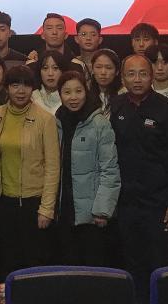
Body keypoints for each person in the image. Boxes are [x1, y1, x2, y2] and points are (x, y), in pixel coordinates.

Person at [110, 54, 168, 304]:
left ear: (152, 76)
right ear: (122, 78)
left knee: (158, 265)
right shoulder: (115, 106)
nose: (137, 79)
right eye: (131, 74)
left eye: (143, 74)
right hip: (125, 202)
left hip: (158, 203)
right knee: (130, 264)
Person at [0, 65, 60, 280]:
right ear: (7, 88)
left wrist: (46, 209)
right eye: (15, 85)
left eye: (26, 85)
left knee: (33, 266)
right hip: (4, 201)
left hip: (33, 203)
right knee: (6, 263)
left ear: (33, 89)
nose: (21, 91)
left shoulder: (45, 119)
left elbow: (53, 166)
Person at [54, 70, 120, 266]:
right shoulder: (56, 122)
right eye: (67, 92)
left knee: (92, 270)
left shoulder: (100, 124)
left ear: (86, 91)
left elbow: (110, 170)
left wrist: (102, 210)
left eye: (78, 91)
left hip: (92, 215)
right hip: (64, 211)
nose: (73, 97)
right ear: (60, 94)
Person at [90, 48, 122, 116]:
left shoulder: (124, 94)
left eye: (108, 68)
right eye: (98, 67)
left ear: (117, 71)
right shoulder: (85, 94)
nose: (103, 72)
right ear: (92, 69)